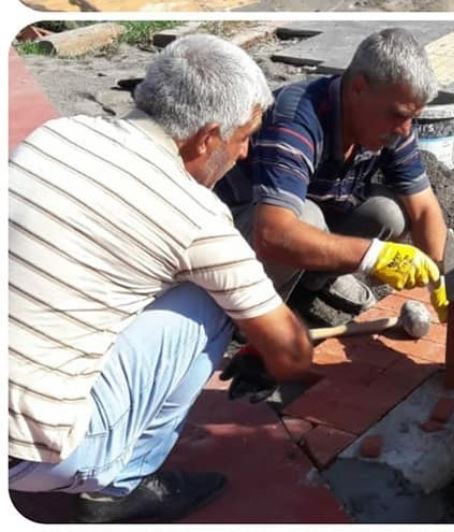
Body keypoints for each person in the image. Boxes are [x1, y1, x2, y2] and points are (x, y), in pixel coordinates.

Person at [8, 34, 316, 524]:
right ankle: (120, 486)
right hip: (27, 455)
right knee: (213, 299)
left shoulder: (57, 136)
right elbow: (293, 353)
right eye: (245, 136)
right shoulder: (197, 216)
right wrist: (270, 340)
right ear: (207, 137)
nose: (244, 153)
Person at [215, 27, 454, 340]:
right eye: (398, 115)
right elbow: (272, 233)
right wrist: (373, 255)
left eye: (412, 118)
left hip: (310, 227)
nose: (406, 130)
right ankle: (250, 320)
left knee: (388, 213)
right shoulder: (296, 120)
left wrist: (445, 282)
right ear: (358, 88)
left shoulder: (391, 122)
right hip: (236, 240)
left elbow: (422, 209)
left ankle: (309, 286)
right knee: (304, 217)